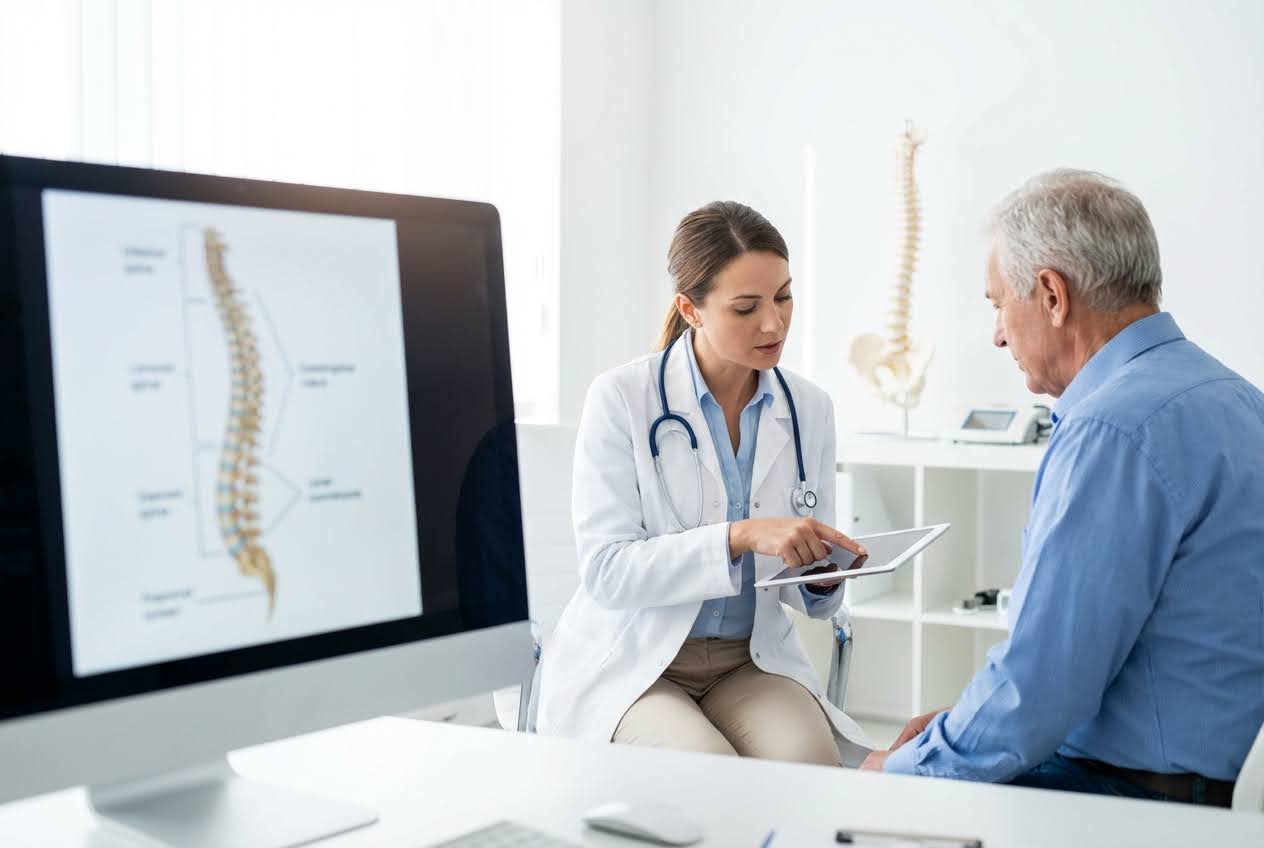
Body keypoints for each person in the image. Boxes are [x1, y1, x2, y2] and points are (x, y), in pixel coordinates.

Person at [861, 169, 1264, 807]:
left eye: (998, 303)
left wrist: (901, 770)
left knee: (856, 791)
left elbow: (1041, 685)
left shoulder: (1113, 428)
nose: (997, 333)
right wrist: (965, 722)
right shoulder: (1238, 399)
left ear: (1052, 294)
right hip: (1215, 778)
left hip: (1141, 795)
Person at [537, 201, 872, 764]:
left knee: (810, 765)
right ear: (690, 309)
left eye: (783, 297)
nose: (774, 323)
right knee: (707, 773)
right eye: (746, 308)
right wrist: (739, 536)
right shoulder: (622, 399)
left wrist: (822, 575)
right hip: (639, 662)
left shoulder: (808, 408)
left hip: (750, 659)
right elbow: (607, 572)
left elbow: (801, 592)